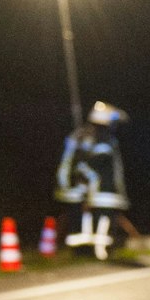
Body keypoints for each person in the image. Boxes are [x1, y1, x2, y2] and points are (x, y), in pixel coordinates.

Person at [54, 101, 130, 259]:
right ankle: (100, 250)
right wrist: (90, 184)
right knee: (102, 217)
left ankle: (83, 251)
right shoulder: (100, 138)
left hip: (73, 188)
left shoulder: (79, 135)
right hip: (96, 189)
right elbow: (88, 165)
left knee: (81, 220)